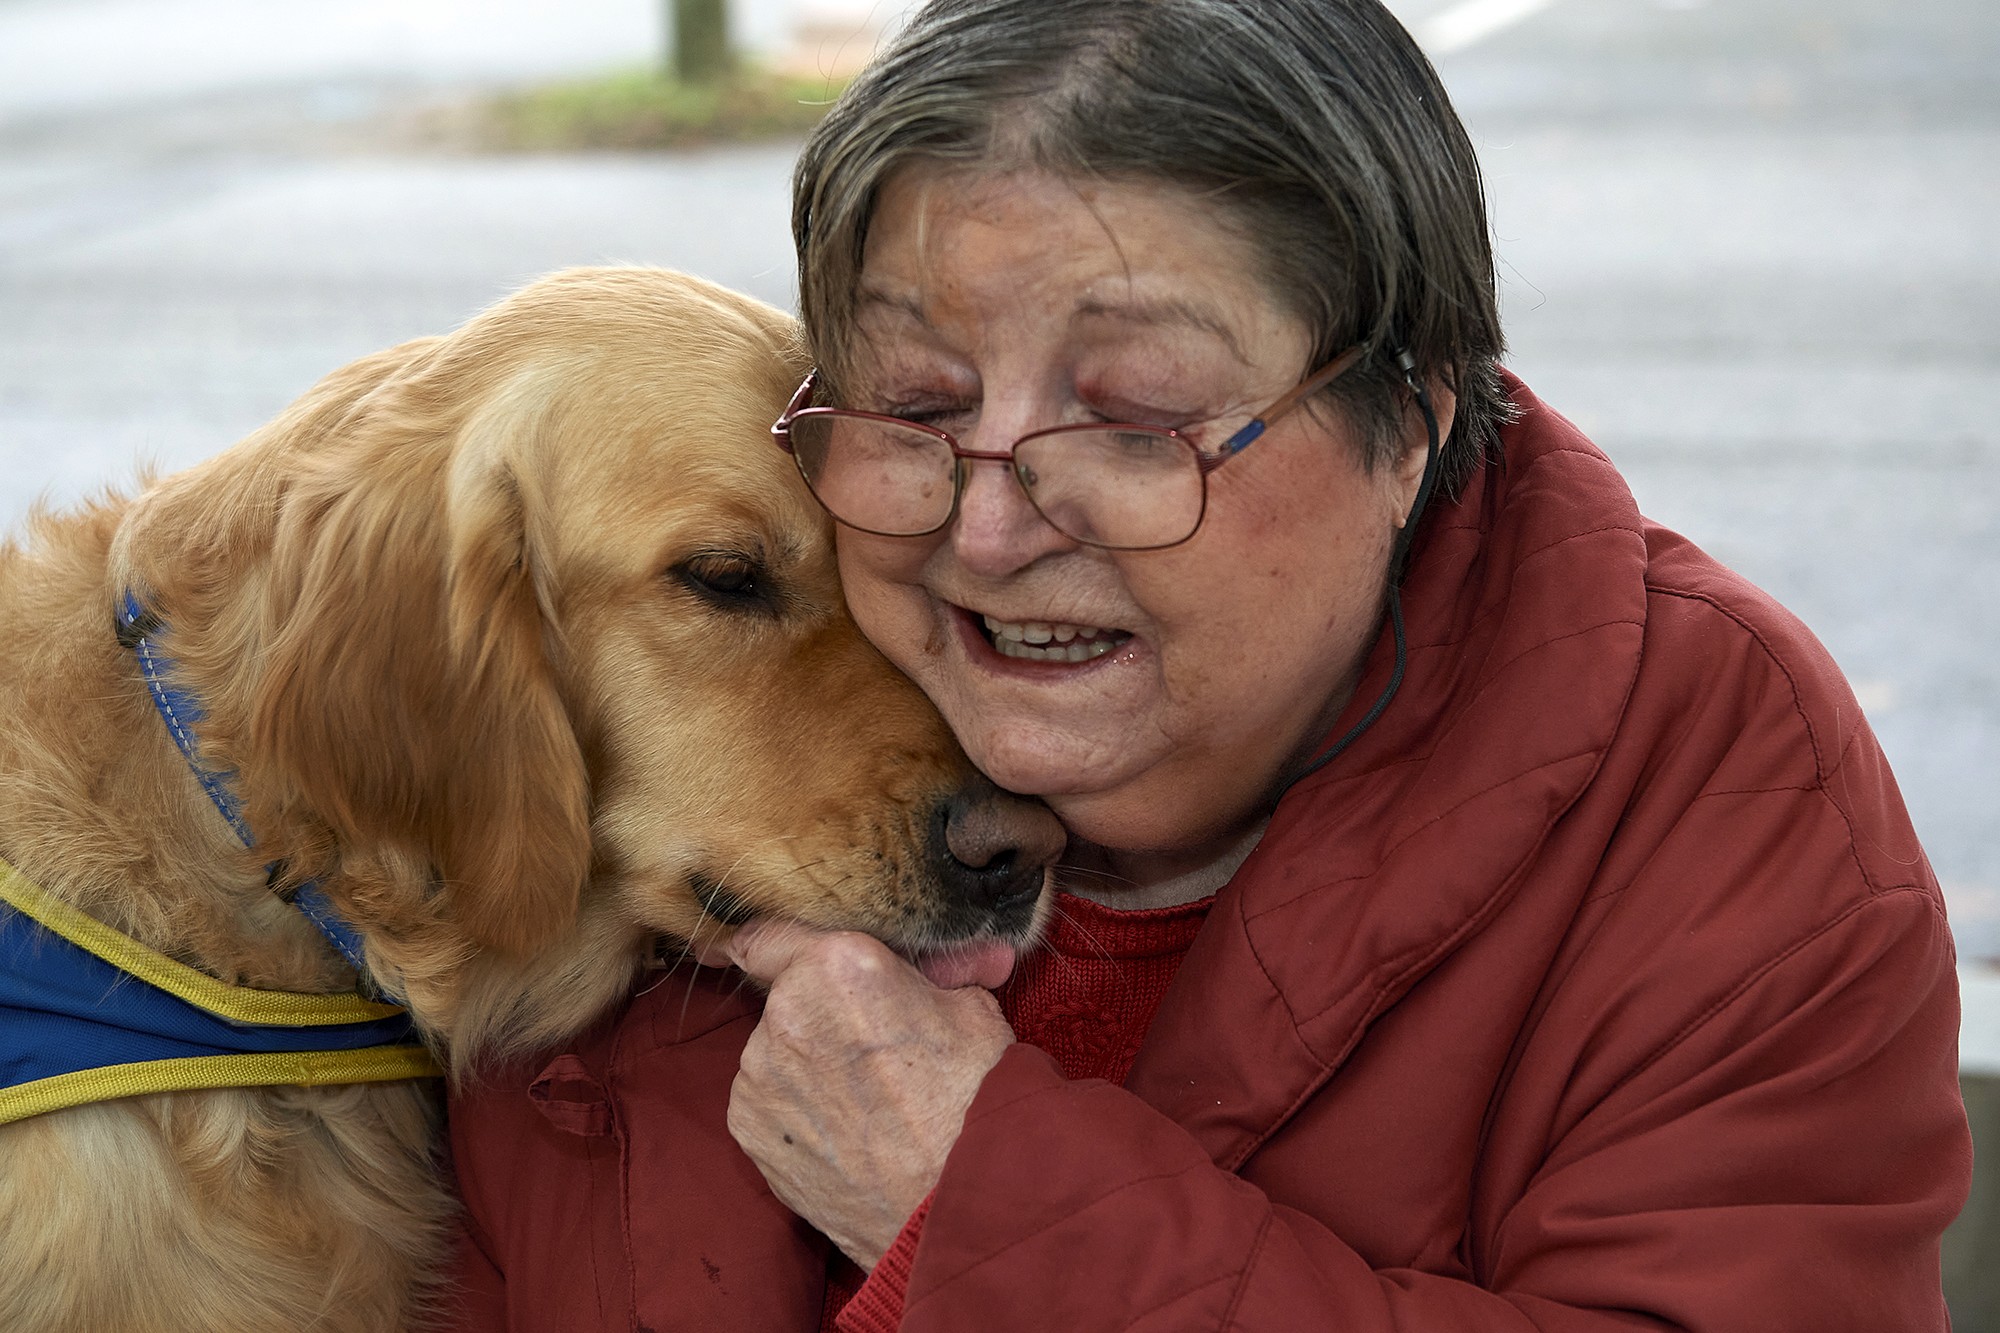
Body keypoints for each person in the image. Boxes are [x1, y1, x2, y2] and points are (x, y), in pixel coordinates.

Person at [445, 1, 1972, 1328]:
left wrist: (976, 1208)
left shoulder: (1724, 802)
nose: (986, 525)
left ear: (1414, 418)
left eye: (1136, 415)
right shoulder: (672, 716)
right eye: (916, 396)